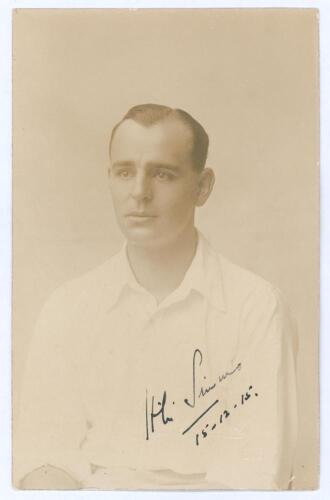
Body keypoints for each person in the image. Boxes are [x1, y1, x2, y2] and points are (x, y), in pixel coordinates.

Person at [14, 104, 298, 490]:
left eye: (163, 174)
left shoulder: (256, 308)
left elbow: (255, 477)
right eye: (125, 172)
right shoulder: (67, 309)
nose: (139, 193)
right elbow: (42, 462)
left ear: (202, 187)